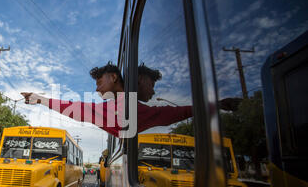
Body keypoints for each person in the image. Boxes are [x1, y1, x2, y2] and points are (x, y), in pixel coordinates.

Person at [21, 62, 236, 137]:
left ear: (114, 77)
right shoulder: (123, 107)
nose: (96, 89)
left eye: (99, 83)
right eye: (152, 86)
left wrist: (41, 100)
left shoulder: (126, 107)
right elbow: (174, 113)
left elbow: (77, 109)